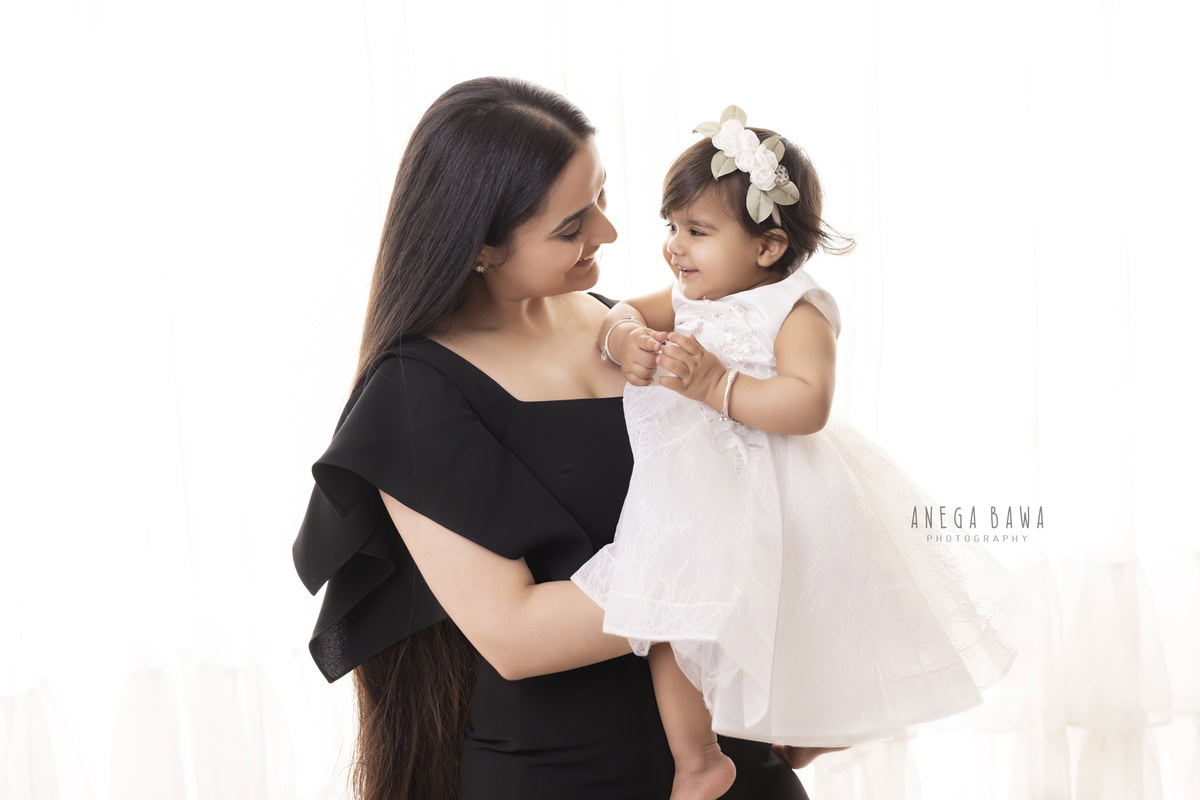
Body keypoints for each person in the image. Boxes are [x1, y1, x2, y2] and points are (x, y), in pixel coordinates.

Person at [292, 78, 843, 800]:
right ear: (482, 245)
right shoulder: (413, 392)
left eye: (603, 198)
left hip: (736, 764)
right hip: (561, 775)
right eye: (571, 225)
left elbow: (771, 470)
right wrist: (735, 569)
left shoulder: (630, 328)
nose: (610, 236)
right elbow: (518, 636)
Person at [570, 106, 1040, 800]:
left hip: (793, 493)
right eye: (672, 227)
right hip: (705, 497)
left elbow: (807, 401)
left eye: (697, 231)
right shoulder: (688, 295)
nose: (675, 247)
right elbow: (618, 310)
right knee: (674, 618)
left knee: (821, 618)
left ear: (766, 247)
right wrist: (621, 340)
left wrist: (716, 384)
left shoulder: (794, 306)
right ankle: (699, 759)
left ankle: (816, 727)